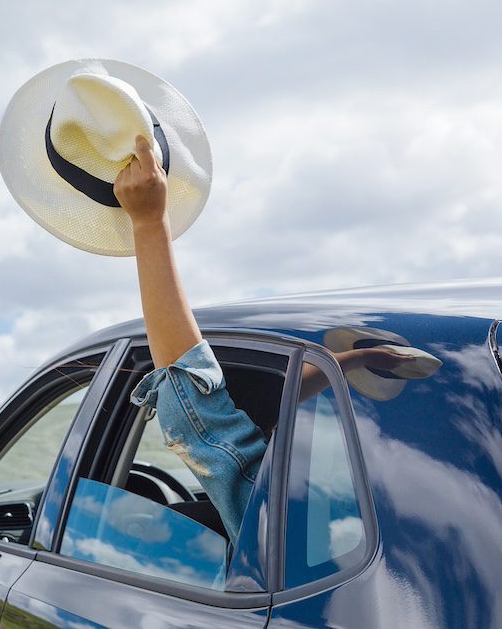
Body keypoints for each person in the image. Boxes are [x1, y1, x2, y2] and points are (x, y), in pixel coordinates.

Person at [113, 136, 413, 541]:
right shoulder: (394, 506)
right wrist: (353, 359)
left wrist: (149, 224)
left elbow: (194, 408)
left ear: (262, 431)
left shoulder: (279, 520)